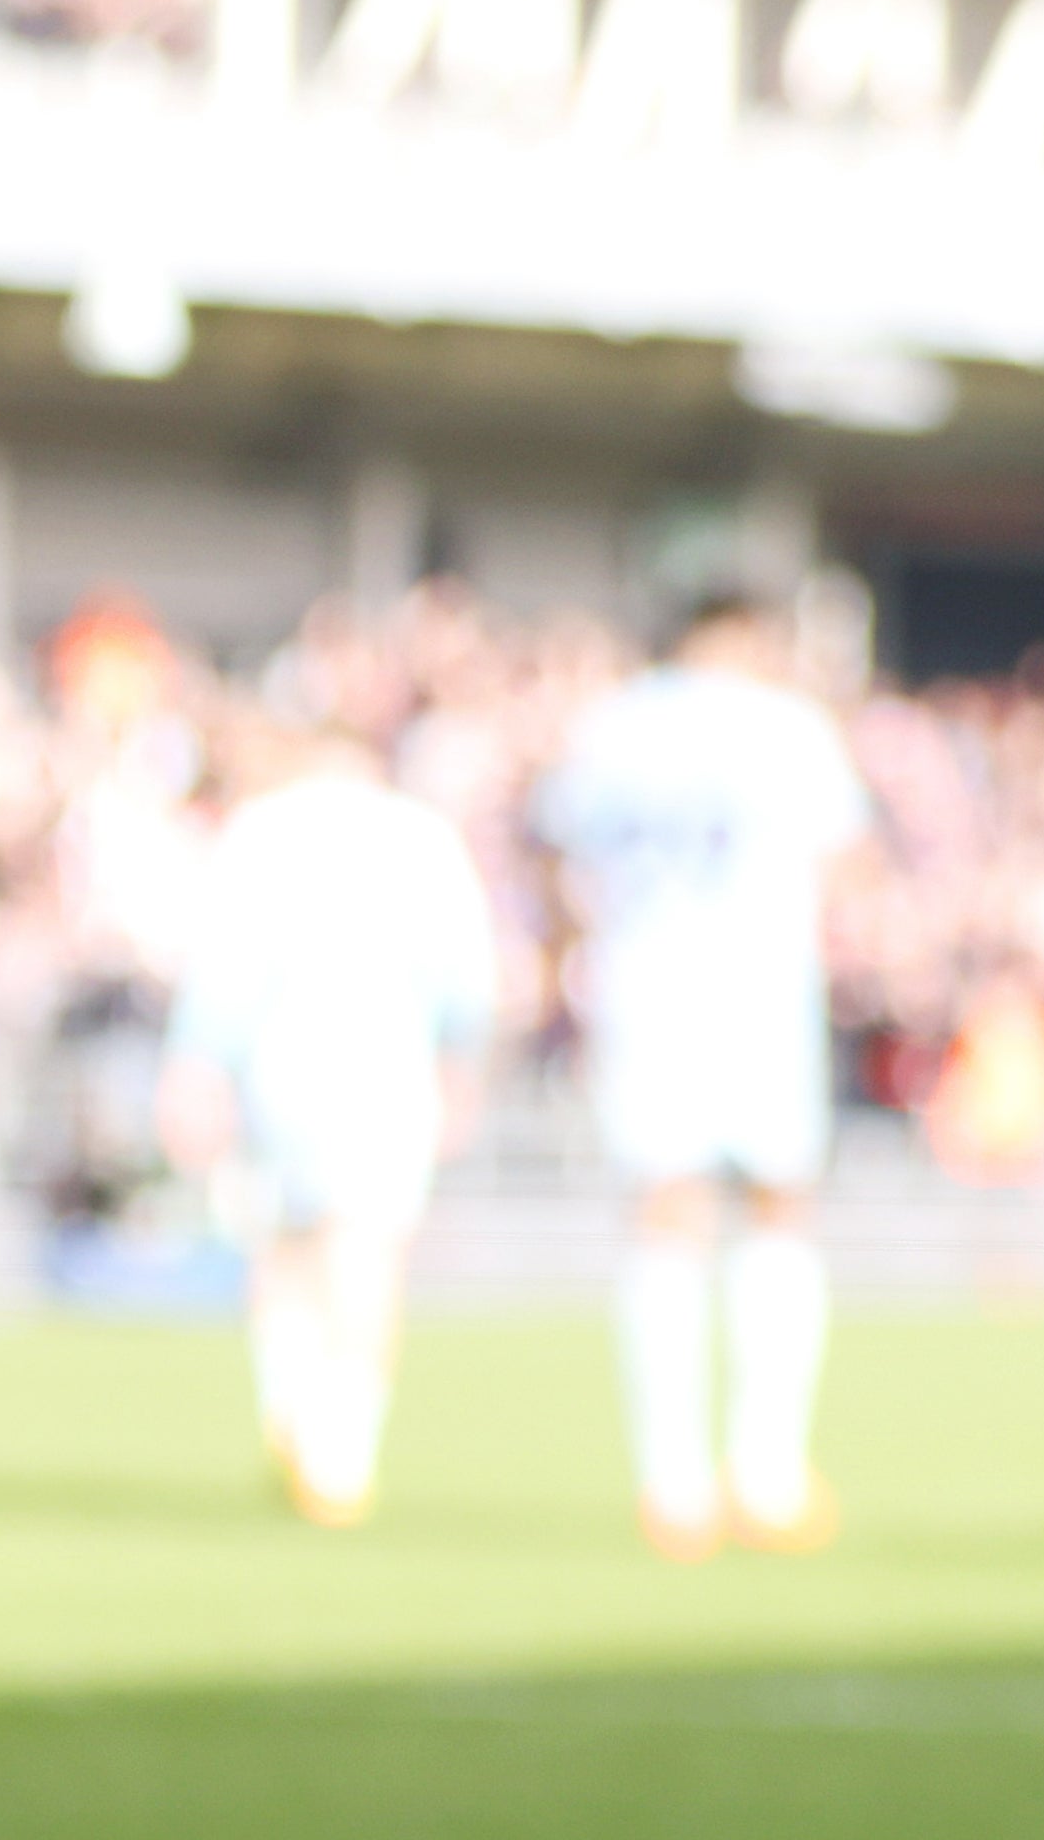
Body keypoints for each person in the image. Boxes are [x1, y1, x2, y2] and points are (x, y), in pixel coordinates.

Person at [533, 586, 874, 1559]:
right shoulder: (786, 726)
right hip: (760, 992)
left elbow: (560, 857)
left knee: (664, 1216)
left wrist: (574, 957)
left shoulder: (614, 725)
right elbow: (847, 863)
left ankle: (671, 1481)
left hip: (647, 991)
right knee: (778, 1207)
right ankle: (766, 1471)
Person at [159, 710, 496, 1526]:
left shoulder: (264, 830)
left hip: (283, 1061)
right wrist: (461, 1069)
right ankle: (341, 1451)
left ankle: (293, 1407)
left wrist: (197, 1067)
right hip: (387, 1061)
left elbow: (225, 969)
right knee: (365, 1246)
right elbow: (465, 975)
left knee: (287, 1245)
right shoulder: (423, 836)